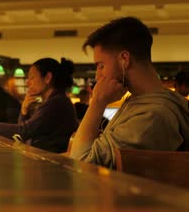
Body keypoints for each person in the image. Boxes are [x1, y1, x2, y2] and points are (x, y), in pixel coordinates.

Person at [70, 17, 189, 168]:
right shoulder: (143, 102)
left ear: (124, 59)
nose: (97, 76)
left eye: (101, 65)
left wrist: (97, 103)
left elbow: (82, 165)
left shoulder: (152, 115)